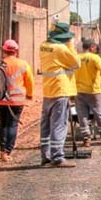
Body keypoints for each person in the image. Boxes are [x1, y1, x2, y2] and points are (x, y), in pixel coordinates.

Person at [39, 21, 79, 168]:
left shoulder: (44, 45)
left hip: (48, 89)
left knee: (46, 124)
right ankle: (57, 157)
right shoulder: (60, 48)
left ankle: (46, 156)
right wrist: (70, 45)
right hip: (60, 89)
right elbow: (76, 63)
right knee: (59, 124)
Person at [0, 39, 34, 162]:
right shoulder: (23, 64)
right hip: (17, 101)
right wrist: (29, 94)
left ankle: (2, 151)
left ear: (4, 51)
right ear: (16, 51)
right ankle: (8, 150)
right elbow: (30, 81)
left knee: (3, 123)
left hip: (0, 100)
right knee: (12, 124)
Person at [75, 38, 101, 147]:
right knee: (99, 113)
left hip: (79, 91)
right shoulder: (95, 58)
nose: (96, 49)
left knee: (82, 115)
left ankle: (86, 138)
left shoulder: (76, 58)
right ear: (92, 47)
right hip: (93, 91)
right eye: (95, 47)